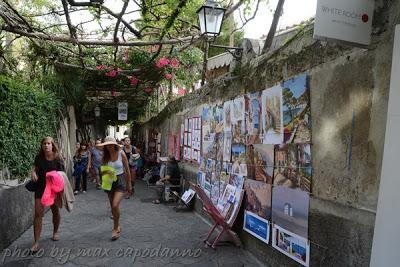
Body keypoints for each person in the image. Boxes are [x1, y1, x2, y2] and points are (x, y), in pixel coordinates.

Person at [30, 137, 65, 253]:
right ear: (42, 145)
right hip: (40, 188)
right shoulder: (39, 158)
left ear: (52, 145)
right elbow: (35, 168)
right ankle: (36, 242)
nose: (46, 145)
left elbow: (62, 175)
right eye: (44, 143)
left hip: (54, 189)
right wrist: (33, 173)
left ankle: (56, 231)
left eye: (48, 143)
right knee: (38, 214)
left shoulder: (58, 158)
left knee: (55, 211)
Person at [97, 136, 132, 240]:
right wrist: (104, 173)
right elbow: (102, 171)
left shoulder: (121, 154)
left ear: (115, 144)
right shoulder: (104, 156)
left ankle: (115, 228)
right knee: (113, 207)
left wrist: (129, 183)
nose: (109, 146)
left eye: (110, 144)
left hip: (120, 180)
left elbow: (127, 169)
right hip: (108, 180)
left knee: (115, 204)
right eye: (106, 145)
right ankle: (117, 224)